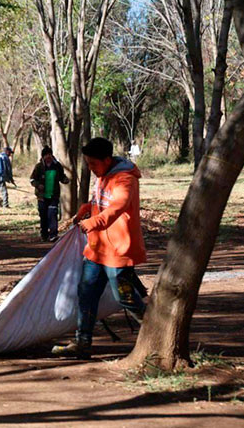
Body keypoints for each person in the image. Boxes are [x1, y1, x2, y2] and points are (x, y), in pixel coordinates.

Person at [52, 137, 147, 359]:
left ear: (107, 159)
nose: (92, 169)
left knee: (126, 298)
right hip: (96, 250)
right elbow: (101, 202)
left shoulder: (125, 179)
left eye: (94, 164)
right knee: (86, 294)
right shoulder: (103, 176)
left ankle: (154, 335)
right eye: (88, 164)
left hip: (118, 253)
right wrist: (87, 208)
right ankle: (82, 343)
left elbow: (117, 207)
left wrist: (93, 222)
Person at [30, 147, 69, 242]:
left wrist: (65, 180)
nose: (48, 157)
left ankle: (53, 235)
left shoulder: (57, 166)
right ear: (43, 156)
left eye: (49, 154)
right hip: (42, 197)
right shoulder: (39, 167)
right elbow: (32, 180)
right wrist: (38, 185)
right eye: (46, 155)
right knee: (43, 216)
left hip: (53, 196)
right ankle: (44, 234)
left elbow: (62, 176)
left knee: (52, 214)